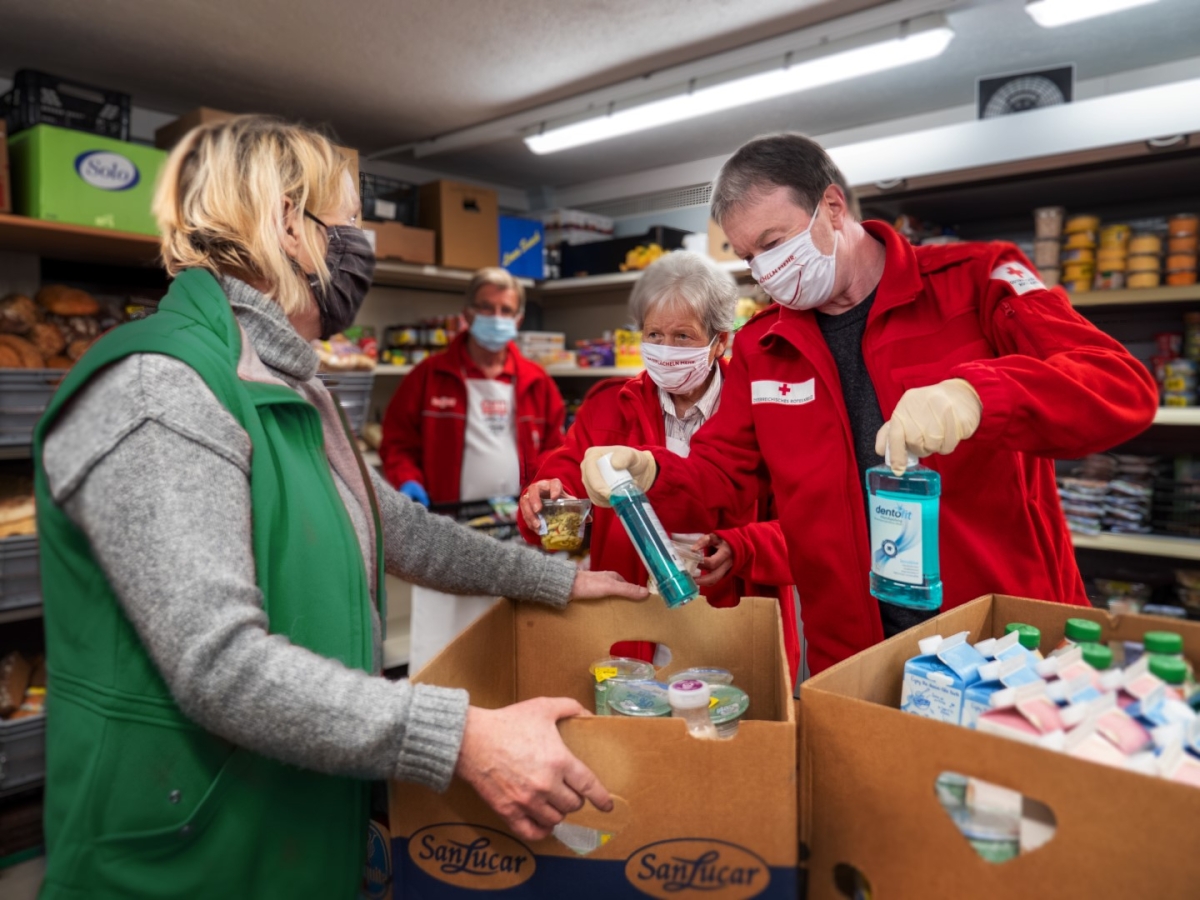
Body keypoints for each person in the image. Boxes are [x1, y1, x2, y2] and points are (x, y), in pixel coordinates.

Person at [33, 116, 645, 900]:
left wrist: (556, 581)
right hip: (184, 860)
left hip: (292, 823)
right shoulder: (165, 389)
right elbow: (219, 666)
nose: (363, 243)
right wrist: (457, 735)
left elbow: (399, 527)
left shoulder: (291, 382)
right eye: (351, 219)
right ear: (290, 222)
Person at [579, 133, 1159, 675]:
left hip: (1005, 640)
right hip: (854, 654)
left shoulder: (975, 281)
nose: (765, 269)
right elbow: (725, 472)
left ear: (833, 208)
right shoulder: (765, 345)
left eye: (775, 243)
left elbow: (1120, 385)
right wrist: (653, 470)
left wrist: (982, 394)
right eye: (749, 254)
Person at [517, 252, 798, 678]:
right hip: (635, 629)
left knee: (728, 734)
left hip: (733, 624)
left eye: (683, 336)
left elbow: (806, 530)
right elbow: (562, 484)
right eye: (654, 334)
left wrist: (743, 548)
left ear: (721, 340)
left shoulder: (765, 410)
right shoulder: (609, 408)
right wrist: (543, 499)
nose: (666, 350)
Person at [380, 267, 565, 507]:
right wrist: (407, 480)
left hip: (519, 518)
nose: (497, 317)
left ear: (518, 320)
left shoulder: (537, 381)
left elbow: (555, 449)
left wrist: (545, 485)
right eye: (486, 307)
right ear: (467, 314)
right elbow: (397, 443)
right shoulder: (428, 375)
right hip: (446, 518)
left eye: (506, 310)